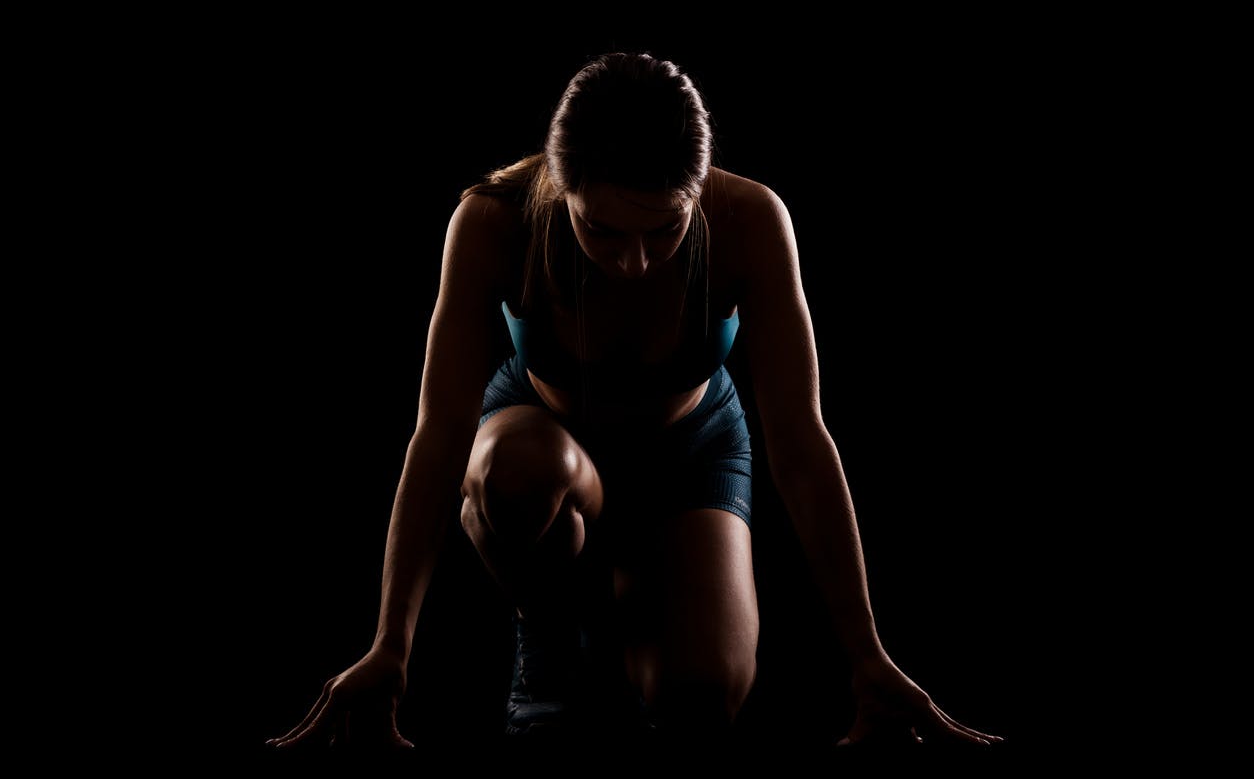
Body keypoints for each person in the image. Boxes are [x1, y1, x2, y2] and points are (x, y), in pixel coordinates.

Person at [267, 52, 1002, 751]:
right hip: (545, 438)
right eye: (603, 231)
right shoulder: (495, 222)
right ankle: (551, 633)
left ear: (698, 184)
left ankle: (635, 614)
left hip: (692, 450)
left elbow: (802, 444)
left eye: (665, 229)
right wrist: (391, 645)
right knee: (514, 473)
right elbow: (439, 432)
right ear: (563, 188)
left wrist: (867, 655)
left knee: (700, 699)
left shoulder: (750, 220)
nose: (636, 261)